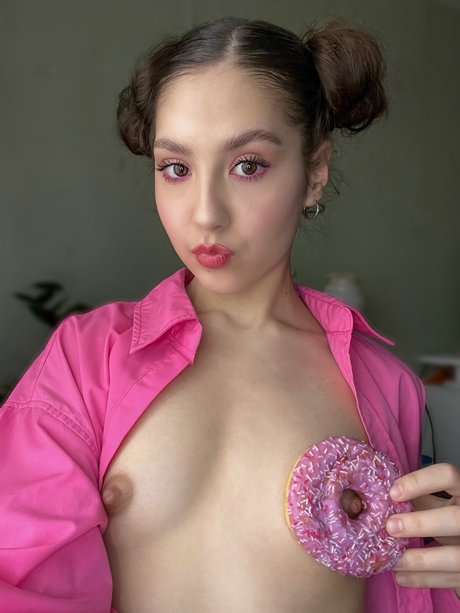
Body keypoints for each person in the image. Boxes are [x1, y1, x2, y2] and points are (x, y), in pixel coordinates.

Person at [0, 16, 459, 613]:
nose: (206, 213)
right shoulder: (87, 361)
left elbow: (413, 593)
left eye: (248, 164)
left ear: (314, 174)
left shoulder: (385, 387)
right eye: (176, 168)